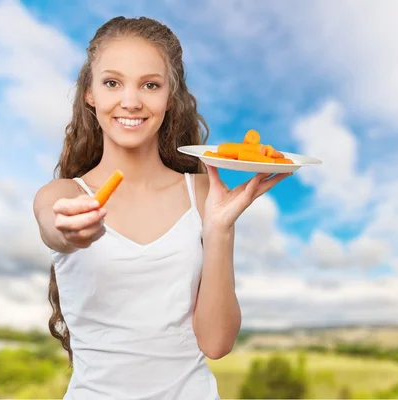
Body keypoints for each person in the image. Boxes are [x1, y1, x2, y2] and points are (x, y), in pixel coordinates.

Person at [33, 15, 290, 399]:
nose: (131, 101)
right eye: (112, 83)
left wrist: (219, 229)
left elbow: (216, 344)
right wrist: (69, 232)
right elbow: (55, 226)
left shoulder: (204, 191)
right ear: (90, 93)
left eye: (150, 85)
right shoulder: (62, 195)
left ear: (171, 97)